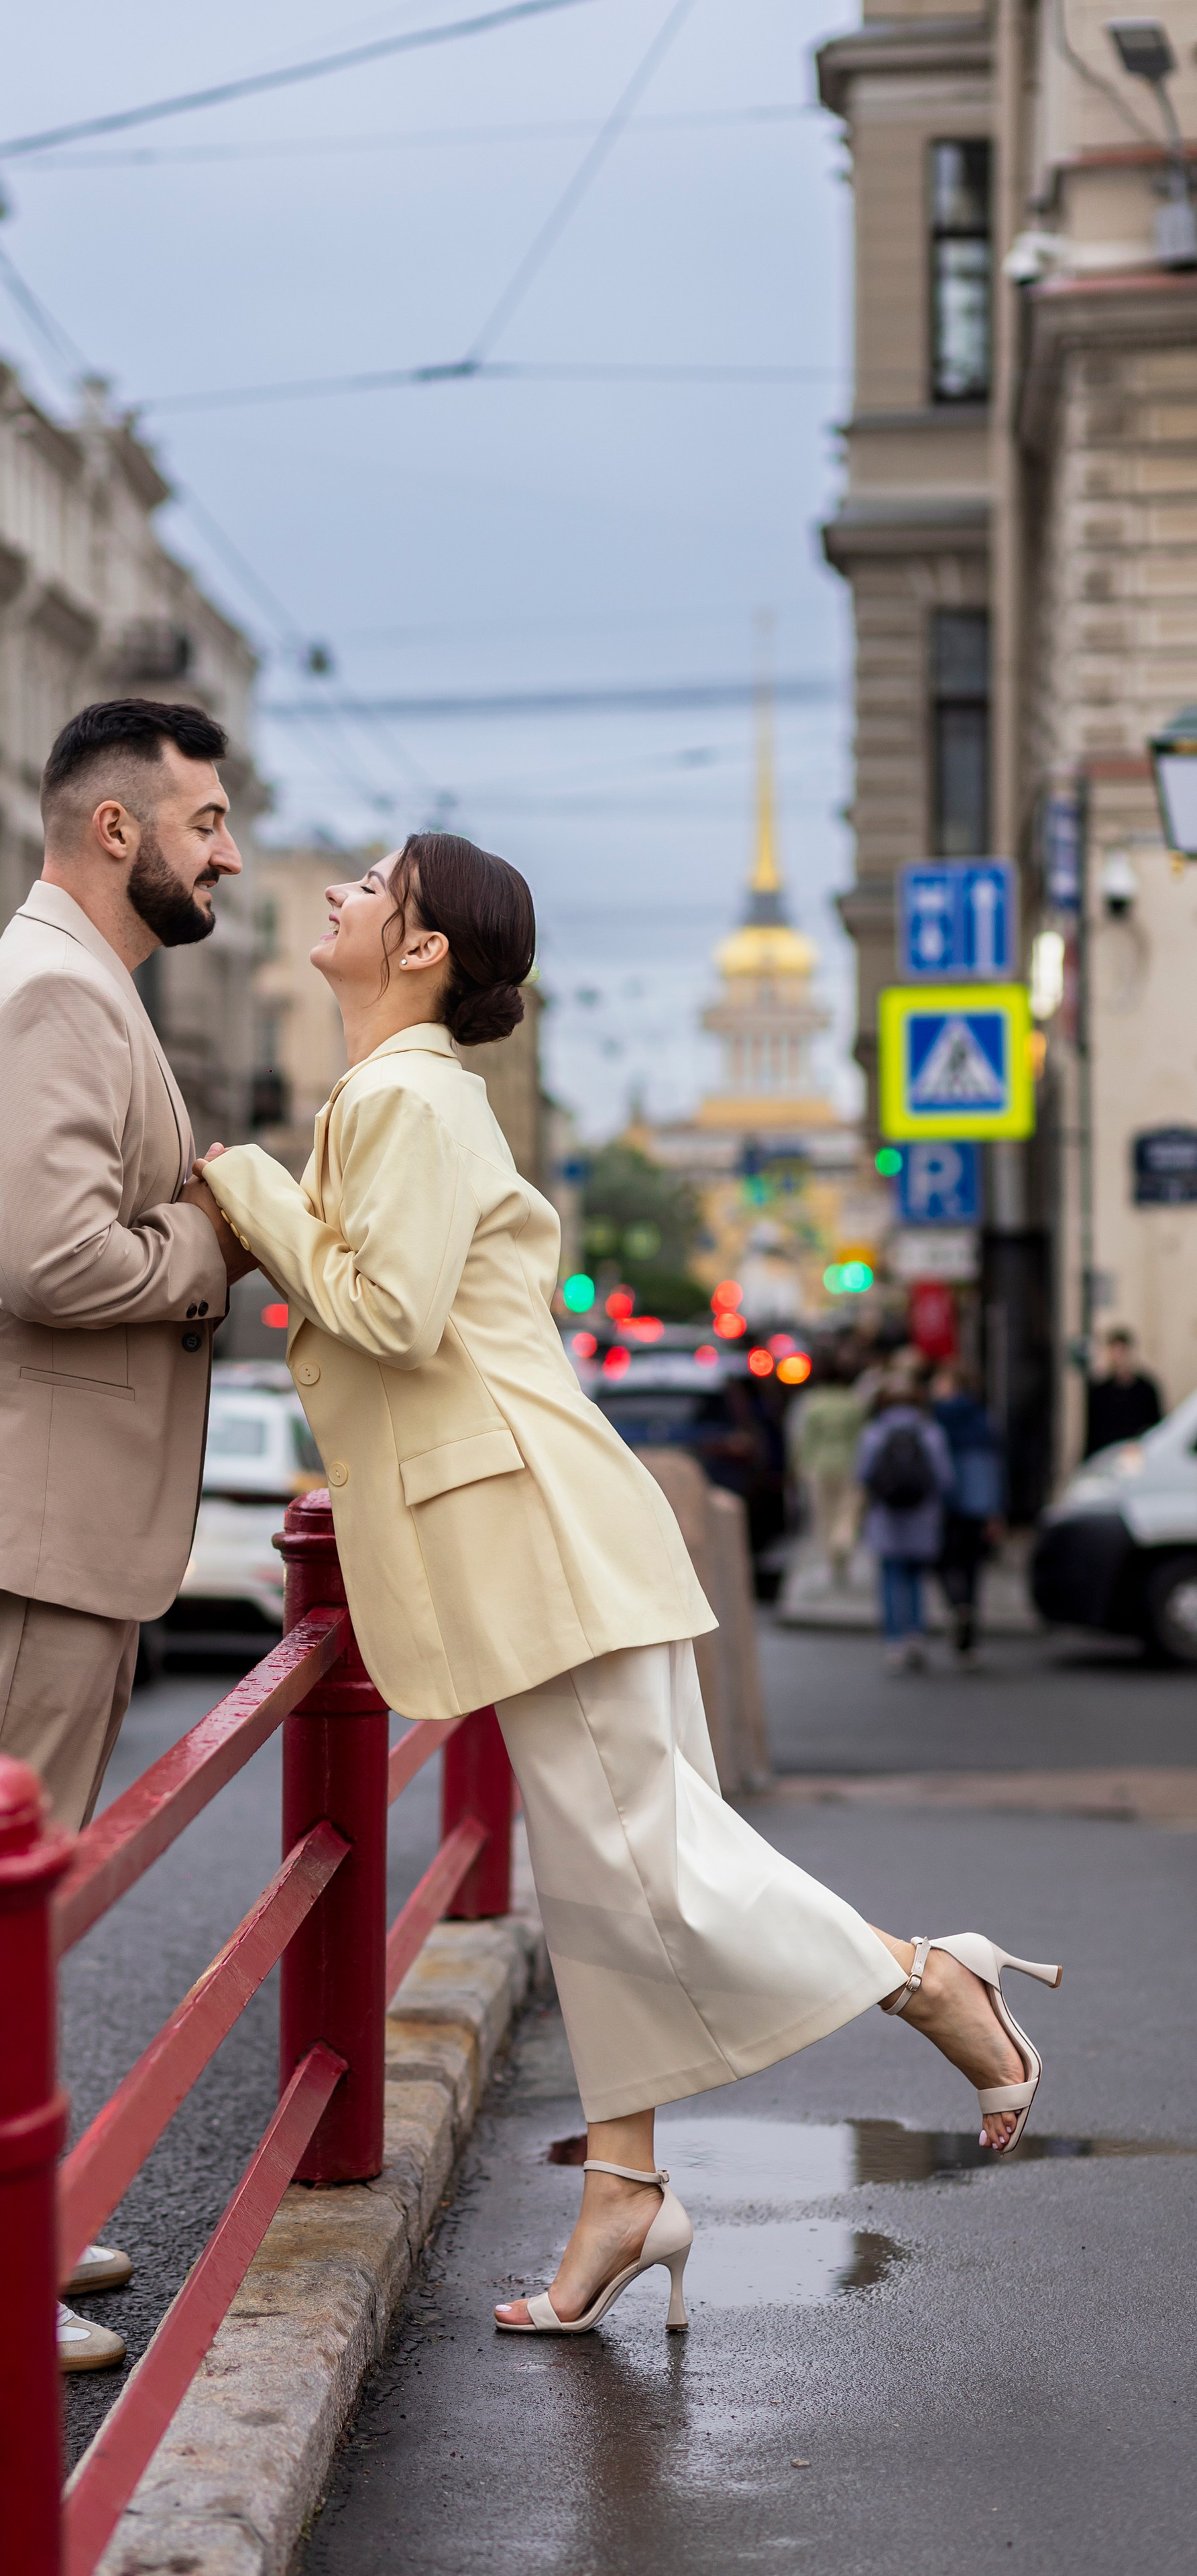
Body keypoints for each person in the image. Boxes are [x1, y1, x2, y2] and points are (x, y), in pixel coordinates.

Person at [186, 834, 1059, 2340]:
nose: (330, 893)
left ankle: (930, 1980)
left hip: (534, 1532)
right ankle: (625, 2191)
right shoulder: (412, 1096)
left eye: (368, 886)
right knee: (605, 1886)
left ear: (420, 950)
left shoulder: (397, 1094)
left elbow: (386, 1316)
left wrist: (244, 1189)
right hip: (554, 1524)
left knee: (646, 1862)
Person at [0, 697, 256, 2371]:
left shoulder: (67, 986)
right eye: (208, 820)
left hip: (40, 1517)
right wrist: (217, 1237)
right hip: (20, 1523)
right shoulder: (47, 998)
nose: (227, 849)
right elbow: (52, 1261)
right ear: (117, 829)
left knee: (11, 1907)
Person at [853, 1364, 953, 1675]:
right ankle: (916, 1636)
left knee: (891, 1575)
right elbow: (945, 1477)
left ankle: (894, 1638)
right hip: (923, 1515)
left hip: (887, 1515)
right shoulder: (931, 1432)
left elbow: (862, 1474)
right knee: (915, 1577)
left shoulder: (874, 1433)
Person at [929, 1364, 1004, 1667]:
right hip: (978, 1502)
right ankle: (969, 1624)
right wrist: (995, 1509)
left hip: (946, 1501)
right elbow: (993, 1464)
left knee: (944, 1562)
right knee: (973, 1567)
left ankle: (955, 1605)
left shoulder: (938, 1417)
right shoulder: (982, 1417)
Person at [787, 1352, 865, 1591]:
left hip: (818, 1466)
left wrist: (798, 1467)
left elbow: (803, 1439)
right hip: (850, 1464)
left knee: (824, 1515)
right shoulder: (855, 1403)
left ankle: (833, 1558)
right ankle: (843, 1543)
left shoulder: (812, 1403)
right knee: (848, 1512)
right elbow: (861, 1437)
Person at [1084, 1326, 1163, 1457]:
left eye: (1121, 1351)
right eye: (1114, 1351)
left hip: (1137, 1456)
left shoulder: (1145, 1389)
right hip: (1107, 1456)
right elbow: (1092, 1433)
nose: (1118, 1357)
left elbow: (1155, 1426)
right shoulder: (1100, 1392)